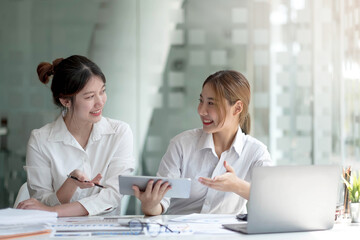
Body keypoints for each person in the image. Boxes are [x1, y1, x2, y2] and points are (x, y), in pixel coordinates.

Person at [133, 70, 272, 216]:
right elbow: (160, 204)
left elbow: (273, 201)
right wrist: (150, 205)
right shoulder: (181, 145)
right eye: (201, 101)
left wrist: (237, 185)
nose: (201, 110)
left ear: (237, 108)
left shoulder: (256, 152)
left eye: (211, 103)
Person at [16, 55, 134, 217]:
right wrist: (70, 184)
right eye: (90, 96)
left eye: (102, 91)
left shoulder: (120, 133)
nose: (100, 102)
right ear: (65, 100)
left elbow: (113, 195)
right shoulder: (40, 140)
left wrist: (54, 211)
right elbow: (40, 203)